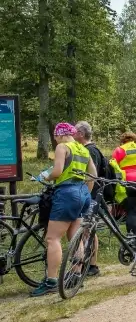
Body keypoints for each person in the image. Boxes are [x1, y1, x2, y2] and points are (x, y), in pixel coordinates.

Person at [30, 123, 97, 297]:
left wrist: (44, 176)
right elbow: (93, 175)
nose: (54, 138)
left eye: (55, 135)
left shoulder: (62, 147)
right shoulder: (83, 149)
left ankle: (51, 281)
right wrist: (85, 194)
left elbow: (58, 171)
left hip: (66, 193)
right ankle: (75, 275)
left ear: (61, 134)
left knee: (53, 238)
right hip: (82, 193)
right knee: (75, 237)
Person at [74, 121, 107, 277]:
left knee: (87, 230)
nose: (73, 135)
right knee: (89, 230)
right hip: (91, 195)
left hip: (91, 196)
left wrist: (86, 194)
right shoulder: (89, 149)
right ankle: (91, 264)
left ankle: (91, 265)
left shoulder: (90, 151)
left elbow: (91, 176)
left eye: (75, 132)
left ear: (81, 134)